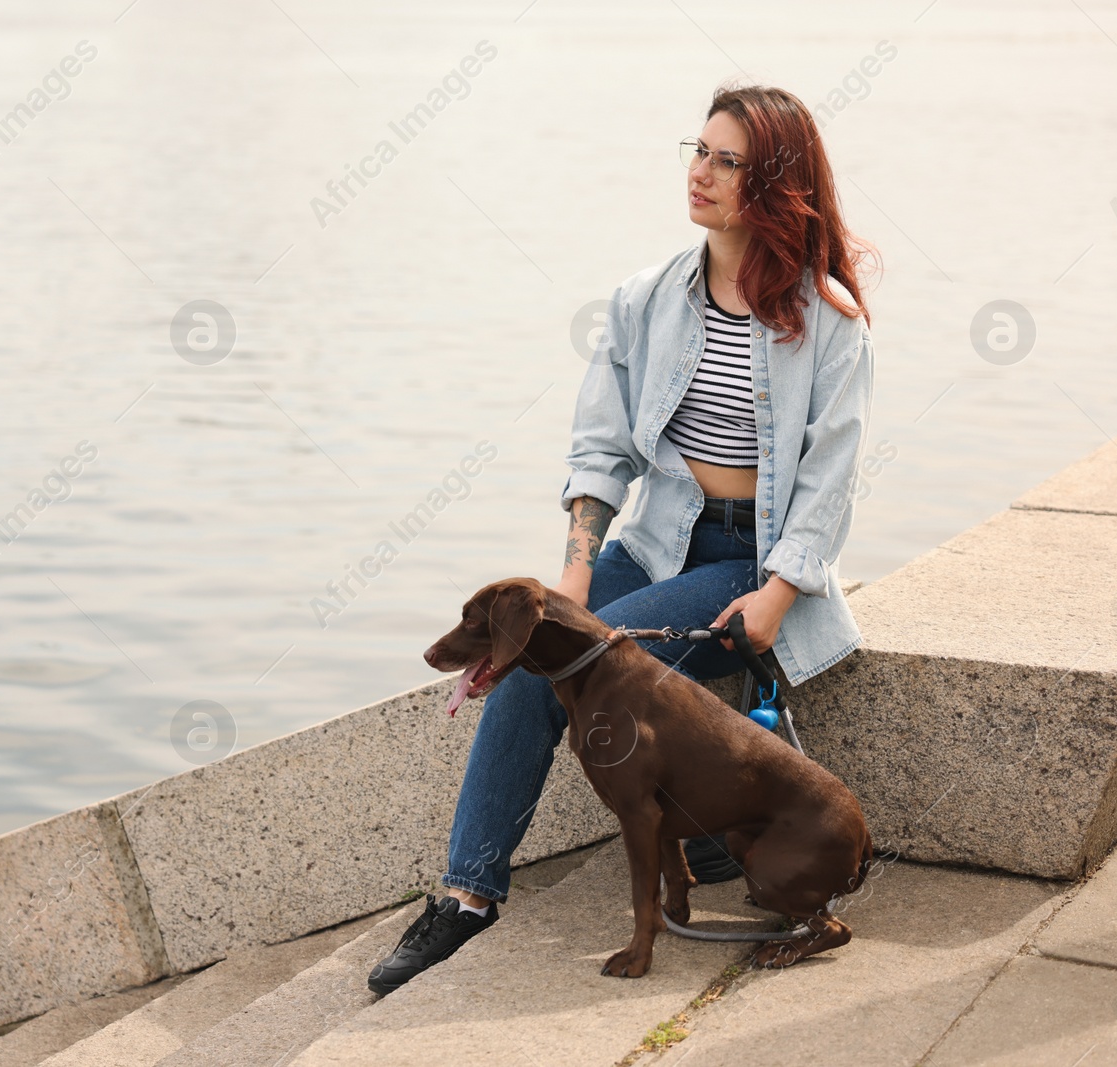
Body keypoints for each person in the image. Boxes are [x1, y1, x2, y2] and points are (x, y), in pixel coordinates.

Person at [367, 82, 880, 996]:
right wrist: (577, 571)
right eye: (700, 150)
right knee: (532, 656)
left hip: (741, 555)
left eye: (729, 161)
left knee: (577, 672)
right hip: (653, 538)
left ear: (775, 184)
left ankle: (693, 846)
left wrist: (776, 595)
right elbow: (601, 448)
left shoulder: (828, 324)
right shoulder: (646, 300)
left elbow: (829, 486)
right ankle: (468, 894)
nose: (702, 172)